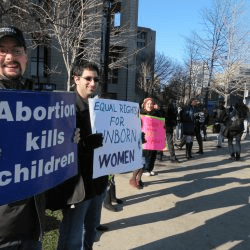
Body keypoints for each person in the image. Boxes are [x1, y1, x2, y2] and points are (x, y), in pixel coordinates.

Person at [0, 26, 45, 250]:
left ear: (26, 57)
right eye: (1, 50)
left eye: (16, 50)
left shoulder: (37, 101)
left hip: (32, 226)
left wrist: (67, 141)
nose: (10, 57)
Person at [55, 61, 108, 250]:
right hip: (78, 187)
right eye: (88, 78)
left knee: (91, 233)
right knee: (72, 238)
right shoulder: (63, 108)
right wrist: (84, 145)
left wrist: (133, 140)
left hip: (99, 183)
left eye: (96, 79)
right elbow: (55, 149)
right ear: (76, 79)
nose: (92, 83)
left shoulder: (102, 109)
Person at [141, 97, 163, 176]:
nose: (149, 105)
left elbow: (162, 120)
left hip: (154, 137)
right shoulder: (141, 113)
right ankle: (145, 169)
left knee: (153, 155)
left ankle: (150, 169)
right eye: (148, 104)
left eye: (151, 104)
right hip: (144, 138)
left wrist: (159, 110)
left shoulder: (156, 113)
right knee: (146, 154)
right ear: (144, 105)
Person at [164, 98, 180, 163]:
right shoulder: (172, 108)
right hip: (169, 126)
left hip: (165, 125)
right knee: (170, 141)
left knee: (165, 141)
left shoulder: (166, 107)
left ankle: (159, 155)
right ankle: (172, 156)